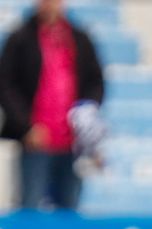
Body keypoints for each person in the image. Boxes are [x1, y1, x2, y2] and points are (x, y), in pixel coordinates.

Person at [0, 0, 106, 211]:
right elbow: (5, 86)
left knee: (70, 209)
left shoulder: (80, 38)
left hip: (72, 143)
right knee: (30, 206)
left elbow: (95, 82)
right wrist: (26, 127)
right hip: (36, 141)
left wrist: (86, 115)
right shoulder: (20, 38)